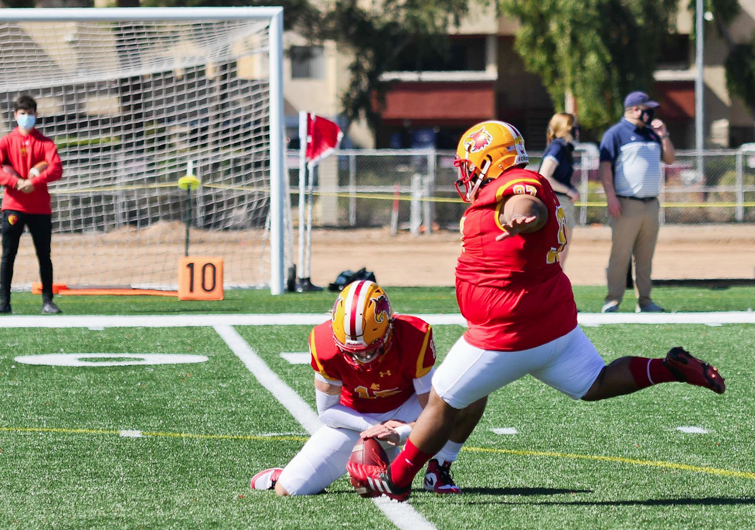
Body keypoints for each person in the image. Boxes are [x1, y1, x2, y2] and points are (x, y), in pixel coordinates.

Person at [347, 120, 725, 502]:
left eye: (470, 164)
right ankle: (668, 367)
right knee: (594, 382)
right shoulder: (515, 184)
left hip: (508, 331)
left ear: (489, 160)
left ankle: (397, 478)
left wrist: (522, 216)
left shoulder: (515, 186)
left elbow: (526, 202)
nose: (466, 174)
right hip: (552, 326)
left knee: (443, 400)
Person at [250, 280, 486, 496]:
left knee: (469, 392)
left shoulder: (413, 336)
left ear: (388, 329)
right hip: (355, 419)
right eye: (352, 351)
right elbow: (327, 411)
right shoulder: (324, 343)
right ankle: (284, 474)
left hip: (406, 409)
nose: (361, 357)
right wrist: (375, 428)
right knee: (288, 491)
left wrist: (401, 433)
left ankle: (439, 469)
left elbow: (432, 409)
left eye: (370, 349)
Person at [599, 91, 675, 313]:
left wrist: (663, 134)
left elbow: (670, 159)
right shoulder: (615, 134)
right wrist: (611, 196)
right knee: (620, 256)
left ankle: (645, 301)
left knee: (645, 257)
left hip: (651, 204)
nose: (651, 113)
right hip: (625, 204)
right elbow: (605, 167)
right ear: (635, 109)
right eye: (647, 108)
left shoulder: (652, 133)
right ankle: (612, 301)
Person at [0, 95, 63, 315]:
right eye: (22, 114)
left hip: (40, 208)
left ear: (36, 115)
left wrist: (34, 181)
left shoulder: (46, 143)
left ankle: (48, 301)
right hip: (13, 207)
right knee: (8, 255)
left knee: (44, 255)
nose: (26, 117)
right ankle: (4, 302)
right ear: (15, 116)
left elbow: (56, 168)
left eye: (30, 113)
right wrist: (17, 182)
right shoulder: (6, 142)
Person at [539, 112, 580, 266]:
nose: (577, 130)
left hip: (560, 203)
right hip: (558, 203)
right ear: (566, 128)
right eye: (574, 126)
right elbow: (544, 175)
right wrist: (568, 190)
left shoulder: (563, 148)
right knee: (558, 253)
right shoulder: (557, 148)